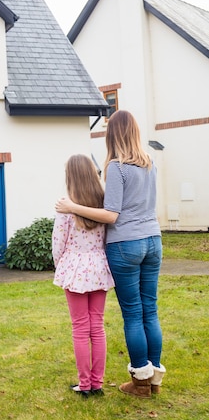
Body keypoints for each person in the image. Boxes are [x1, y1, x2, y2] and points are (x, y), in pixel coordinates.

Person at [56, 110, 165, 399]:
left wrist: (73, 207)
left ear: (112, 135)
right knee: (150, 311)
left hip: (126, 245)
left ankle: (140, 381)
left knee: (133, 313)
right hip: (153, 240)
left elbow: (111, 215)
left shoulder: (118, 167)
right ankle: (154, 379)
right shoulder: (150, 164)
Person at [52, 154, 114, 399]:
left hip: (75, 269)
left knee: (80, 327)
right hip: (99, 266)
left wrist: (62, 267)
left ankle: (84, 384)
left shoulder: (66, 206)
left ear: (71, 177)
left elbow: (58, 244)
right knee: (97, 326)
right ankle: (97, 383)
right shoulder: (103, 204)